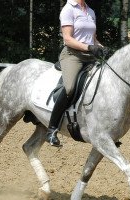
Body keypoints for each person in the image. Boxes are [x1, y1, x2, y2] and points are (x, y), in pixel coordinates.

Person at [46, 0, 105, 147]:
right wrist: (89, 47)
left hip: (89, 57)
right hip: (73, 56)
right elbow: (68, 39)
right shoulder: (68, 9)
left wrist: (100, 47)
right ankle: (52, 129)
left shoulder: (90, 11)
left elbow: (93, 38)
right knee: (70, 88)